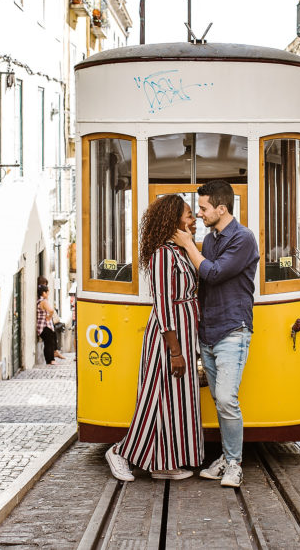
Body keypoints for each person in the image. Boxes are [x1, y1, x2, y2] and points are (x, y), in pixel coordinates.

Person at [105, 194, 203, 482]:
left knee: (173, 401)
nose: (193, 220)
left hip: (183, 334)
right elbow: (162, 303)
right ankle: (120, 452)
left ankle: (163, 463)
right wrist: (175, 349)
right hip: (167, 337)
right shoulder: (163, 255)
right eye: (188, 215)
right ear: (173, 220)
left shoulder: (181, 251)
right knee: (155, 400)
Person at [173, 179, 259, 488]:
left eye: (203, 208)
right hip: (207, 332)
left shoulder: (244, 238)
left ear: (221, 209)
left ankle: (234, 464)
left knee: (225, 398)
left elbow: (213, 273)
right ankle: (225, 457)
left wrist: (187, 246)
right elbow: (203, 284)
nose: (199, 214)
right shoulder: (209, 241)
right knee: (221, 400)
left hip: (233, 329)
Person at [36, 284, 64, 365]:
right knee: (49, 343)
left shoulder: (39, 301)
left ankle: (51, 359)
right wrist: (49, 316)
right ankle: (50, 360)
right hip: (45, 326)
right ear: (44, 293)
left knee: (49, 342)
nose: (48, 294)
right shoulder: (44, 301)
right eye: (47, 292)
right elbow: (51, 310)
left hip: (42, 326)